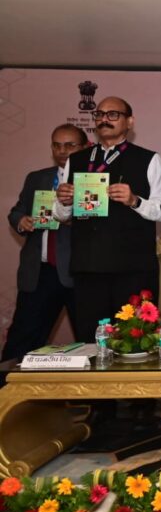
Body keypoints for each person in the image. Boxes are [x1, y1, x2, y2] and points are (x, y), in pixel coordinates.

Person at [55, 97, 161, 341]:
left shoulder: (149, 159)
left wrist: (134, 200)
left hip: (132, 268)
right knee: (91, 342)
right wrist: (63, 201)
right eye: (100, 114)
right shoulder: (77, 159)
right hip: (88, 267)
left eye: (113, 115)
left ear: (130, 122)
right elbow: (61, 215)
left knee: (133, 343)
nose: (104, 119)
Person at [3, 124, 88, 361]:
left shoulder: (93, 181)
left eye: (70, 145)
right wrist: (21, 221)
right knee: (20, 343)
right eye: (57, 145)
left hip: (79, 272)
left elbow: (102, 225)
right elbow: (16, 211)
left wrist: (71, 219)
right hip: (38, 273)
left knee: (89, 342)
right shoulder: (36, 178)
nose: (62, 151)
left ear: (85, 147)